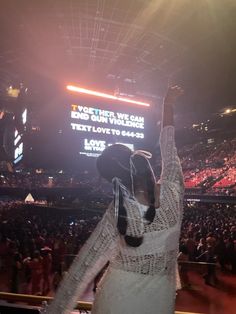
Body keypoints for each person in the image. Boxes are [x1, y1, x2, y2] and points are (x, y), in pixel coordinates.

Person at [46, 86, 184, 314]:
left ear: (113, 181)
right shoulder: (173, 190)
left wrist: (55, 310)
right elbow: (169, 148)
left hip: (116, 297)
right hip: (159, 299)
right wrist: (167, 105)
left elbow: (84, 266)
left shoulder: (117, 212)